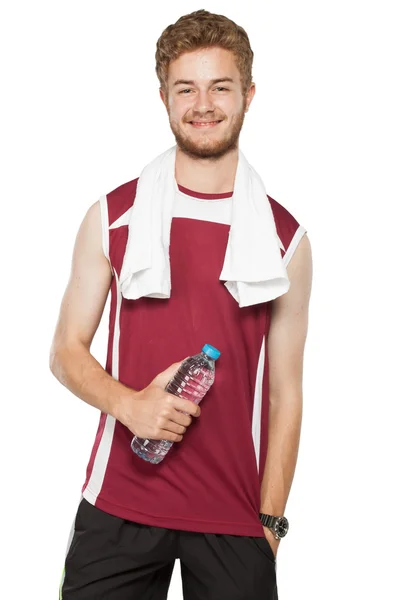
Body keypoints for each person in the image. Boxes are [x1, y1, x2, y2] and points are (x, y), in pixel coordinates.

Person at [50, 9, 312, 600]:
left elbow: (285, 394)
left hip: (233, 517)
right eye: (185, 88)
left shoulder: (285, 240)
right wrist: (131, 406)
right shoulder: (112, 216)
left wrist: (269, 522)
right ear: (163, 97)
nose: (203, 105)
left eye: (220, 87)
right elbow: (65, 351)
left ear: (248, 94)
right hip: (118, 503)